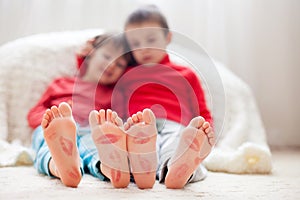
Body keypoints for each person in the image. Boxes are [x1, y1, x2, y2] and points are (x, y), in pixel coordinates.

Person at [92, 5, 215, 189]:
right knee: (129, 149)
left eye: (150, 39)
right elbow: (99, 78)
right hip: (136, 126)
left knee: (176, 146)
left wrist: (205, 133)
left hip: (175, 124)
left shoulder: (186, 74)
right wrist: (85, 56)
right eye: (135, 44)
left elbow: (202, 111)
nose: (144, 49)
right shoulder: (125, 74)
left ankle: (177, 169)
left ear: (167, 37)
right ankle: (139, 169)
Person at [27, 32, 132, 188]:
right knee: (47, 144)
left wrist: (114, 127)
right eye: (107, 57)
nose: (111, 65)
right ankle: (61, 167)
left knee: (98, 148)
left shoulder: (116, 94)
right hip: (56, 131)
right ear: (91, 53)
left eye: (119, 64)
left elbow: (122, 120)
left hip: (91, 131)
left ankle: (110, 169)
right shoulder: (61, 83)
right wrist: (50, 121)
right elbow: (34, 113)